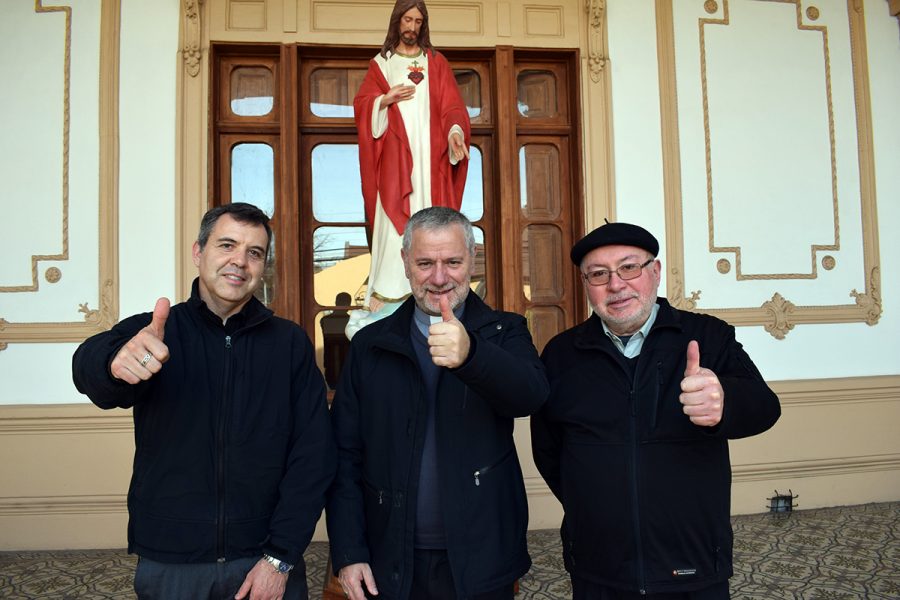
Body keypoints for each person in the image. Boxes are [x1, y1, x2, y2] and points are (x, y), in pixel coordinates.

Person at [72, 203, 337, 600]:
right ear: (199, 252)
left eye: (254, 252)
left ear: (263, 266)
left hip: (263, 558)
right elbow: (87, 365)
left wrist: (280, 557)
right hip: (170, 561)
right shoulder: (156, 332)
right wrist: (112, 363)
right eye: (226, 245)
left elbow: (313, 456)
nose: (239, 262)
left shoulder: (290, 344)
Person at [531, 222, 781, 600]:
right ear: (586, 285)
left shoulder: (707, 337)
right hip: (598, 567)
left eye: (629, 267)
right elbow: (548, 451)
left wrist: (723, 401)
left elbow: (765, 408)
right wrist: (593, 504)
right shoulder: (561, 354)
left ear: (656, 272)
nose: (616, 285)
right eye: (599, 274)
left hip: (692, 561)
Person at [327, 207, 547, 600]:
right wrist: (349, 550)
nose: (440, 277)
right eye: (425, 263)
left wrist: (473, 355)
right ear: (406, 264)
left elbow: (529, 395)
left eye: (453, 262)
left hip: (483, 554)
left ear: (472, 260)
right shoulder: (369, 344)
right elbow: (345, 454)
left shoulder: (505, 330)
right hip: (389, 555)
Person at [352, 0, 471, 324]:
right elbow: (363, 104)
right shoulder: (382, 63)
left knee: (430, 216)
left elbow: (452, 107)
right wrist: (384, 100)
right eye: (408, 19)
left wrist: (455, 133)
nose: (413, 27)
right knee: (392, 223)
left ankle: (434, 285)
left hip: (431, 158)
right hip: (395, 159)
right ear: (397, 21)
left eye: (419, 21)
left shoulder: (436, 62)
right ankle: (388, 288)